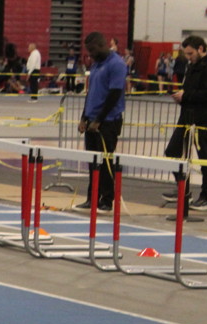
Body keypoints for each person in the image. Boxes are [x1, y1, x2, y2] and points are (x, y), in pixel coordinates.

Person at [75, 32, 127, 214]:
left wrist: (99, 119)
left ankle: (106, 200)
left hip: (108, 121)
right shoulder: (96, 64)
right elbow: (91, 92)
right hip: (91, 119)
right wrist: (84, 117)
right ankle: (92, 198)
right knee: (92, 162)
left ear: (102, 45)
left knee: (105, 162)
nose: (90, 55)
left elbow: (114, 94)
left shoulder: (117, 64)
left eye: (92, 50)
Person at [162, 35, 207, 211]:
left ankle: (206, 196)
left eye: (190, 54)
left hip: (204, 119)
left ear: (200, 49)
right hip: (186, 117)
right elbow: (189, 89)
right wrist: (181, 96)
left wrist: (186, 95)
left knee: (205, 158)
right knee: (172, 151)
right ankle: (184, 189)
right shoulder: (191, 66)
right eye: (186, 54)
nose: (188, 57)